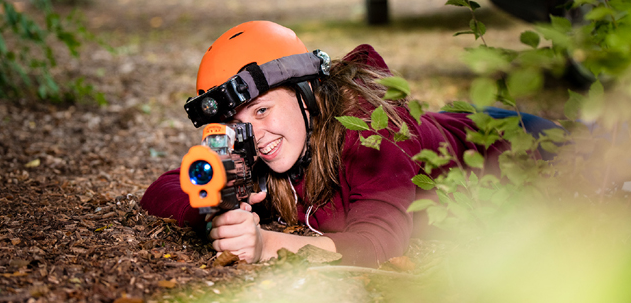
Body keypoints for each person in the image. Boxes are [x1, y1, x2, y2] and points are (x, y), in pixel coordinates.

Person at [140, 21, 559, 267]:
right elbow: (162, 188)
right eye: (238, 123)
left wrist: (268, 244)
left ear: (306, 94)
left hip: (518, 143)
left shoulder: (370, 128)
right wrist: (213, 208)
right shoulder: (255, 153)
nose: (256, 135)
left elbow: (381, 241)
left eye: (262, 110)